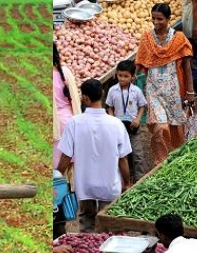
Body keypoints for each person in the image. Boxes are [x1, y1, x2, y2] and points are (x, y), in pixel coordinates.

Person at [57, 79, 132, 233]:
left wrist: (57, 177)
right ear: (102, 94)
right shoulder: (116, 124)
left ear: (85, 98)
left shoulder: (75, 123)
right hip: (110, 184)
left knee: (86, 224)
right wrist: (127, 182)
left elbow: (66, 156)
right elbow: (122, 158)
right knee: (110, 226)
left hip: (85, 185)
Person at [135, 3, 196, 166]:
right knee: (161, 128)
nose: (155, 22)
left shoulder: (179, 39)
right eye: (153, 18)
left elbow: (187, 67)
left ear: (168, 19)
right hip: (154, 91)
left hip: (175, 92)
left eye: (160, 19)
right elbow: (139, 64)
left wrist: (190, 91)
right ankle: (160, 162)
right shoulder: (147, 38)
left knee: (177, 128)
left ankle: (178, 159)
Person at [107, 60, 149, 183]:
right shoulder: (112, 90)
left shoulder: (136, 91)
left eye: (126, 76)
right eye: (120, 75)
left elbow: (142, 106)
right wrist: (112, 119)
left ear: (132, 77)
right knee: (121, 154)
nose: (122, 79)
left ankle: (140, 179)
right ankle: (122, 180)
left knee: (138, 154)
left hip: (133, 126)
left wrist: (137, 119)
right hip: (119, 127)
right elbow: (110, 107)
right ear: (116, 74)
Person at [53, 42, 81, 169]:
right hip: (69, 119)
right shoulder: (65, 72)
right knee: (72, 162)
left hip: (56, 125)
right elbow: (74, 98)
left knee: (58, 165)